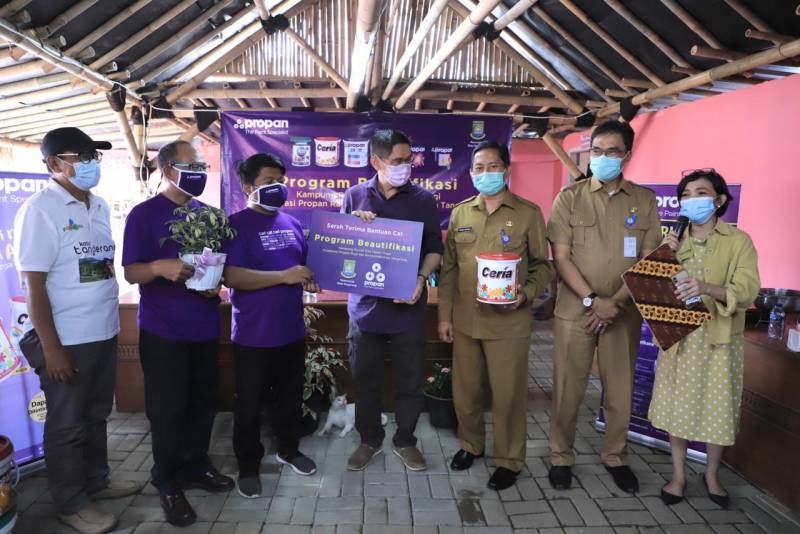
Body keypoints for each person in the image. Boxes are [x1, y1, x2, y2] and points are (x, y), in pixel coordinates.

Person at [14, 127, 140, 534]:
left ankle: (96, 482)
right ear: (54, 163)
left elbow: (97, 269)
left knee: (97, 415)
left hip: (102, 330)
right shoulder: (41, 209)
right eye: (81, 157)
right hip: (67, 339)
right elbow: (33, 286)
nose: (90, 164)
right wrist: (52, 349)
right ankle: (71, 504)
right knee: (67, 424)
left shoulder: (98, 205)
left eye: (94, 157)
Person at [122, 141, 234, 527]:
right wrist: (159, 267)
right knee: (168, 409)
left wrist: (213, 284)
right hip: (163, 331)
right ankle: (167, 479)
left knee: (204, 402)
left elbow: (220, 267)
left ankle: (196, 466)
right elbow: (131, 272)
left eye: (201, 165)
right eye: (191, 166)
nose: (199, 172)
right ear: (168, 170)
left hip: (204, 325)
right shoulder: (144, 215)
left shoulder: (210, 216)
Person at [547, 120, 662, 493]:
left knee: (619, 390)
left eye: (612, 151)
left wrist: (615, 302)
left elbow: (649, 260)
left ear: (626, 154)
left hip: (622, 313)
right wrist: (593, 300)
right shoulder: (570, 198)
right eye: (597, 151)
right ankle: (560, 456)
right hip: (575, 311)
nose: (603, 157)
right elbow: (561, 257)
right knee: (568, 388)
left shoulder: (644, 200)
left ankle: (615, 456)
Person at [438, 140, 553, 491]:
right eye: (478, 168)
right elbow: (449, 270)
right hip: (466, 321)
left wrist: (526, 294)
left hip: (509, 322)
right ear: (471, 173)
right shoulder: (460, 213)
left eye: (492, 166)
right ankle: (471, 445)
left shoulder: (528, 213)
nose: (485, 173)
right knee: (466, 393)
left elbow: (542, 266)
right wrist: (444, 317)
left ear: (506, 170)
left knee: (508, 396)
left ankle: (508, 460)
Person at [649, 170, 759, 508]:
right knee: (676, 408)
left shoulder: (738, 241)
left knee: (719, 409)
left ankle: (712, 475)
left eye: (700, 193)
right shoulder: (673, 239)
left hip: (719, 339)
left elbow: (747, 289)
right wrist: (664, 257)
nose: (690, 200)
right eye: (685, 195)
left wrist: (708, 288)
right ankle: (678, 476)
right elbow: (654, 290)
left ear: (720, 200)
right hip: (678, 337)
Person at [341, 129, 444, 472]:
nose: (405, 166)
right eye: (397, 161)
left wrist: (421, 279)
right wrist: (352, 226)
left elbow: (434, 249)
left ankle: (405, 441)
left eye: (408, 160)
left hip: (407, 310)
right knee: (365, 381)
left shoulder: (423, 200)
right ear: (376, 161)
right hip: (365, 310)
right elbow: (340, 249)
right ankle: (369, 440)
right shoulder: (355, 196)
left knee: (409, 382)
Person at [222, 153, 319, 498]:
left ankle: (288, 450)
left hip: (291, 330)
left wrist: (310, 278)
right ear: (248, 187)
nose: (277, 187)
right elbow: (232, 276)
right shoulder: (235, 225)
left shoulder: (291, 224)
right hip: (253, 334)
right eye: (268, 181)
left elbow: (305, 269)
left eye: (280, 180)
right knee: (249, 404)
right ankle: (248, 466)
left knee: (290, 399)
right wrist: (283, 276)